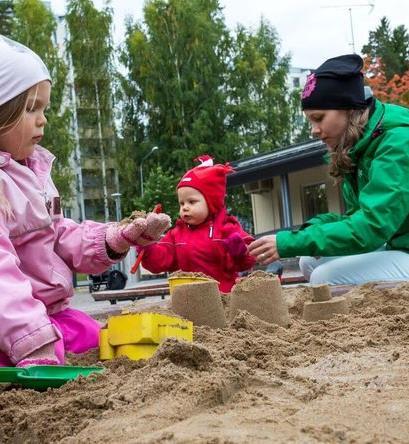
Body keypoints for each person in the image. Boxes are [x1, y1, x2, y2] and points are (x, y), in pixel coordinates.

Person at [0, 36, 170, 367]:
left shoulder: (34, 170)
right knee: (58, 352)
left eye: (44, 108)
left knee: (102, 338)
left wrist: (114, 238)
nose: (43, 119)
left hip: (51, 316)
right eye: (31, 108)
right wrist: (31, 340)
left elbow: (58, 235)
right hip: (15, 328)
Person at [248, 54, 409, 286]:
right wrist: (304, 232)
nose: (314, 131)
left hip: (399, 245)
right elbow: (356, 217)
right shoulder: (359, 145)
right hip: (398, 242)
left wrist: (288, 243)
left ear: (348, 108)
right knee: (309, 262)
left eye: (319, 118)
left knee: (326, 277)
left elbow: (371, 227)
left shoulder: (398, 142)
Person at [140, 155, 256, 292]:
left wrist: (240, 251)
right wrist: (146, 245)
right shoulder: (176, 234)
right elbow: (158, 263)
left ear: (211, 202)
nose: (185, 207)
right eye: (181, 203)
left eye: (192, 202)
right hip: (189, 299)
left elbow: (248, 261)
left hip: (223, 297)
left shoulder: (227, 229)